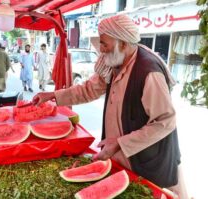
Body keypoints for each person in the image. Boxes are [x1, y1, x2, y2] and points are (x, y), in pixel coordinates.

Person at [33, 14, 188, 198]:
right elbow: (88, 89)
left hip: (146, 161)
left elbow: (165, 122)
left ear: (122, 43)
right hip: (120, 158)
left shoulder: (149, 73)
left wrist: (121, 143)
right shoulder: (114, 62)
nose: (101, 49)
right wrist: (52, 95)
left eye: (104, 43)